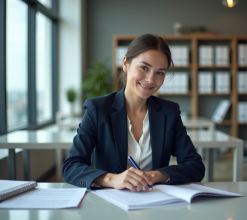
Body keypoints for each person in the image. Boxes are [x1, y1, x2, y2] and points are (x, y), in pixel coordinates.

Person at [62, 34, 205, 192]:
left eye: (160, 73)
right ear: (125, 64)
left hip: (155, 203)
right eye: (144, 68)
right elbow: (71, 166)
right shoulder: (98, 109)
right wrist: (112, 179)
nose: (150, 79)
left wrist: (154, 176)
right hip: (109, 204)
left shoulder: (169, 112)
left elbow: (195, 166)